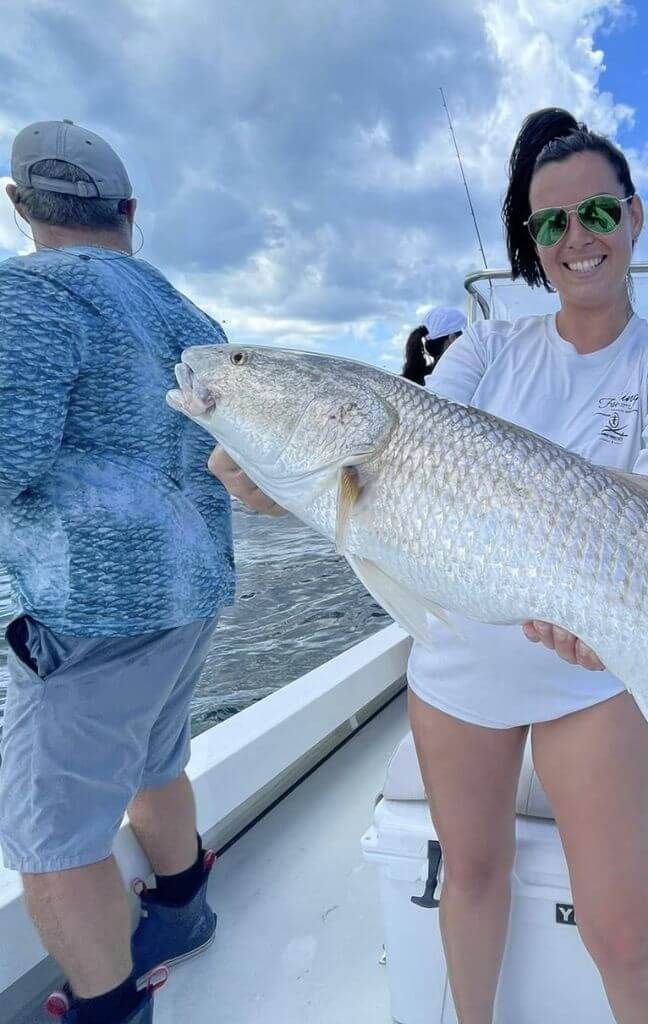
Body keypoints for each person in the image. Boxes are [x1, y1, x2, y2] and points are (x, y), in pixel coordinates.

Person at [213, 107, 648, 1024]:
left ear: (634, 217)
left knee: (621, 931)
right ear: (533, 241)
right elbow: (405, 452)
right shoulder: (487, 345)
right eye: (551, 224)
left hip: (592, 674)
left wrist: (612, 604)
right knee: (470, 878)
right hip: (457, 668)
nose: (577, 239)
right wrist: (278, 482)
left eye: (597, 215)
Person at [0, 121, 235, 1024]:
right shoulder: (193, 319)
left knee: (50, 842)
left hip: (87, 610)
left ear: (20, 208)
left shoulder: (26, 297)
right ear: (129, 212)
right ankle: (181, 910)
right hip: (191, 594)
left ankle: (109, 1009)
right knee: (155, 759)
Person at [401, 305, 467, 385]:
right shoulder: (457, 381)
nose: (468, 342)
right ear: (451, 339)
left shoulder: (411, 381)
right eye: (464, 336)